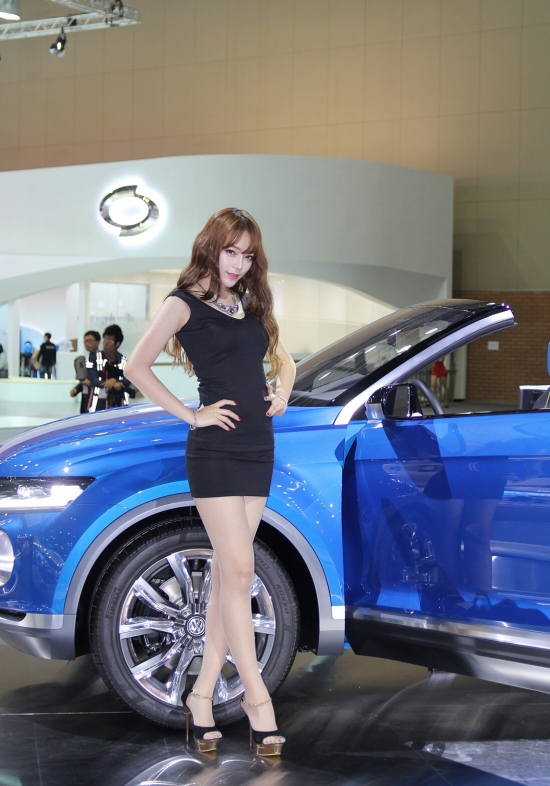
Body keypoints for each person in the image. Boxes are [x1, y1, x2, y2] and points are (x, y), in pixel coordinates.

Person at [125, 208, 295, 756]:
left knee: (229, 579)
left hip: (258, 447)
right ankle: (257, 700)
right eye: (231, 251)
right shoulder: (182, 303)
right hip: (216, 451)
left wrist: (283, 392)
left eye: (248, 255)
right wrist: (191, 415)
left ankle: (200, 697)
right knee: (241, 569)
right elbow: (135, 367)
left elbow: (286, 361)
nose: (239, 264)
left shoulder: (248, 302)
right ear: (211, 247)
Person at [85, 325, 135, 412]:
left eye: (110, 341)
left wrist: (115, 380)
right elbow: (93, 380)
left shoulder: (123, 360)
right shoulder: (93, 357)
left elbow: (128, 379)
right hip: (97, 404)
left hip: (119, 403)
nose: (105, 343)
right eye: (104, 340)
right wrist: (109, 383)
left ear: (117, 344)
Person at [70, 331, 101, 413]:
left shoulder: (101, 360)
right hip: (86, 396)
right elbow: (85, 378)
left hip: (97, 397)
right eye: (85, 341)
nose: (87, 344)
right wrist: (77, 388)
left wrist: (90, 383)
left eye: (90, 341)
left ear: (98, 342)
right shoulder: (86, 359)